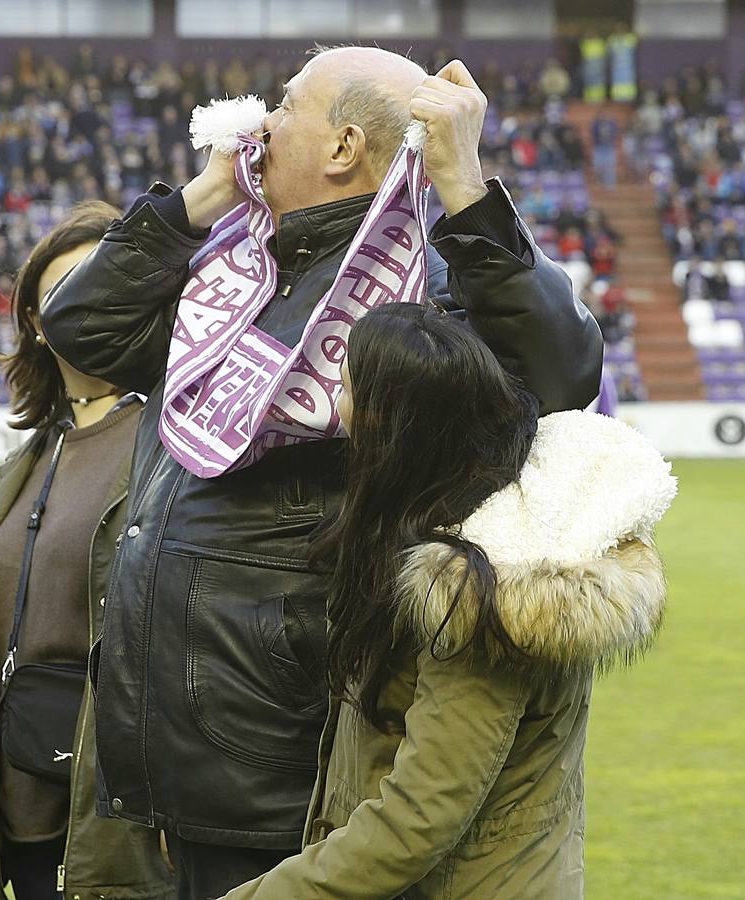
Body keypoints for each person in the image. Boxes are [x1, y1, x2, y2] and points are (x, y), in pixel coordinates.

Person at [40, 47, 604, 899]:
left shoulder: (423, 281)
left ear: (344, 146)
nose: (261, 120)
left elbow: (560, 375)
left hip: (280, 740)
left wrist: (468, 192)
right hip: (179, 739)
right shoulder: (235, 266)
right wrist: (203, 197)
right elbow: (81, 329)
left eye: (286, 106)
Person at [221, 303, 670, 898]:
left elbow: (418, 819)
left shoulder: (479, 596)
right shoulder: (446, 539)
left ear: (392, 423)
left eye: (348, 386)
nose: (338, 406)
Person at [0, 201, 174, 900]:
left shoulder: (173, 444)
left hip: (120, 813)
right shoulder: (26, 461)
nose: (91, 304)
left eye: (107, 283)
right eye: (67, 293)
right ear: (38, 327)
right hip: (21, 805)